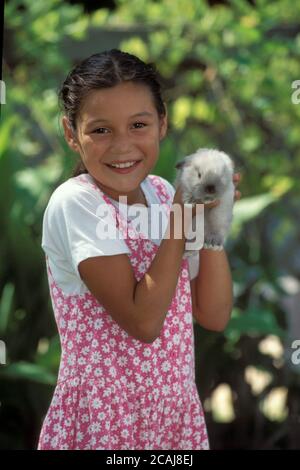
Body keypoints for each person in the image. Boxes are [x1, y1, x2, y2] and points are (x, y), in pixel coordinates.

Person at [37, 49, 241, 450]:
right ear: (69, 133)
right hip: (104, 424)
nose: (122, 145)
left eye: (138, 125)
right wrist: (182, 218)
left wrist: (211, 220)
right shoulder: (76, 204)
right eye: (100, 130)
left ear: (162, 122)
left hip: (171, 419)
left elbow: (214, 315)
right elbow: (143, 323)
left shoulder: (164, 193)